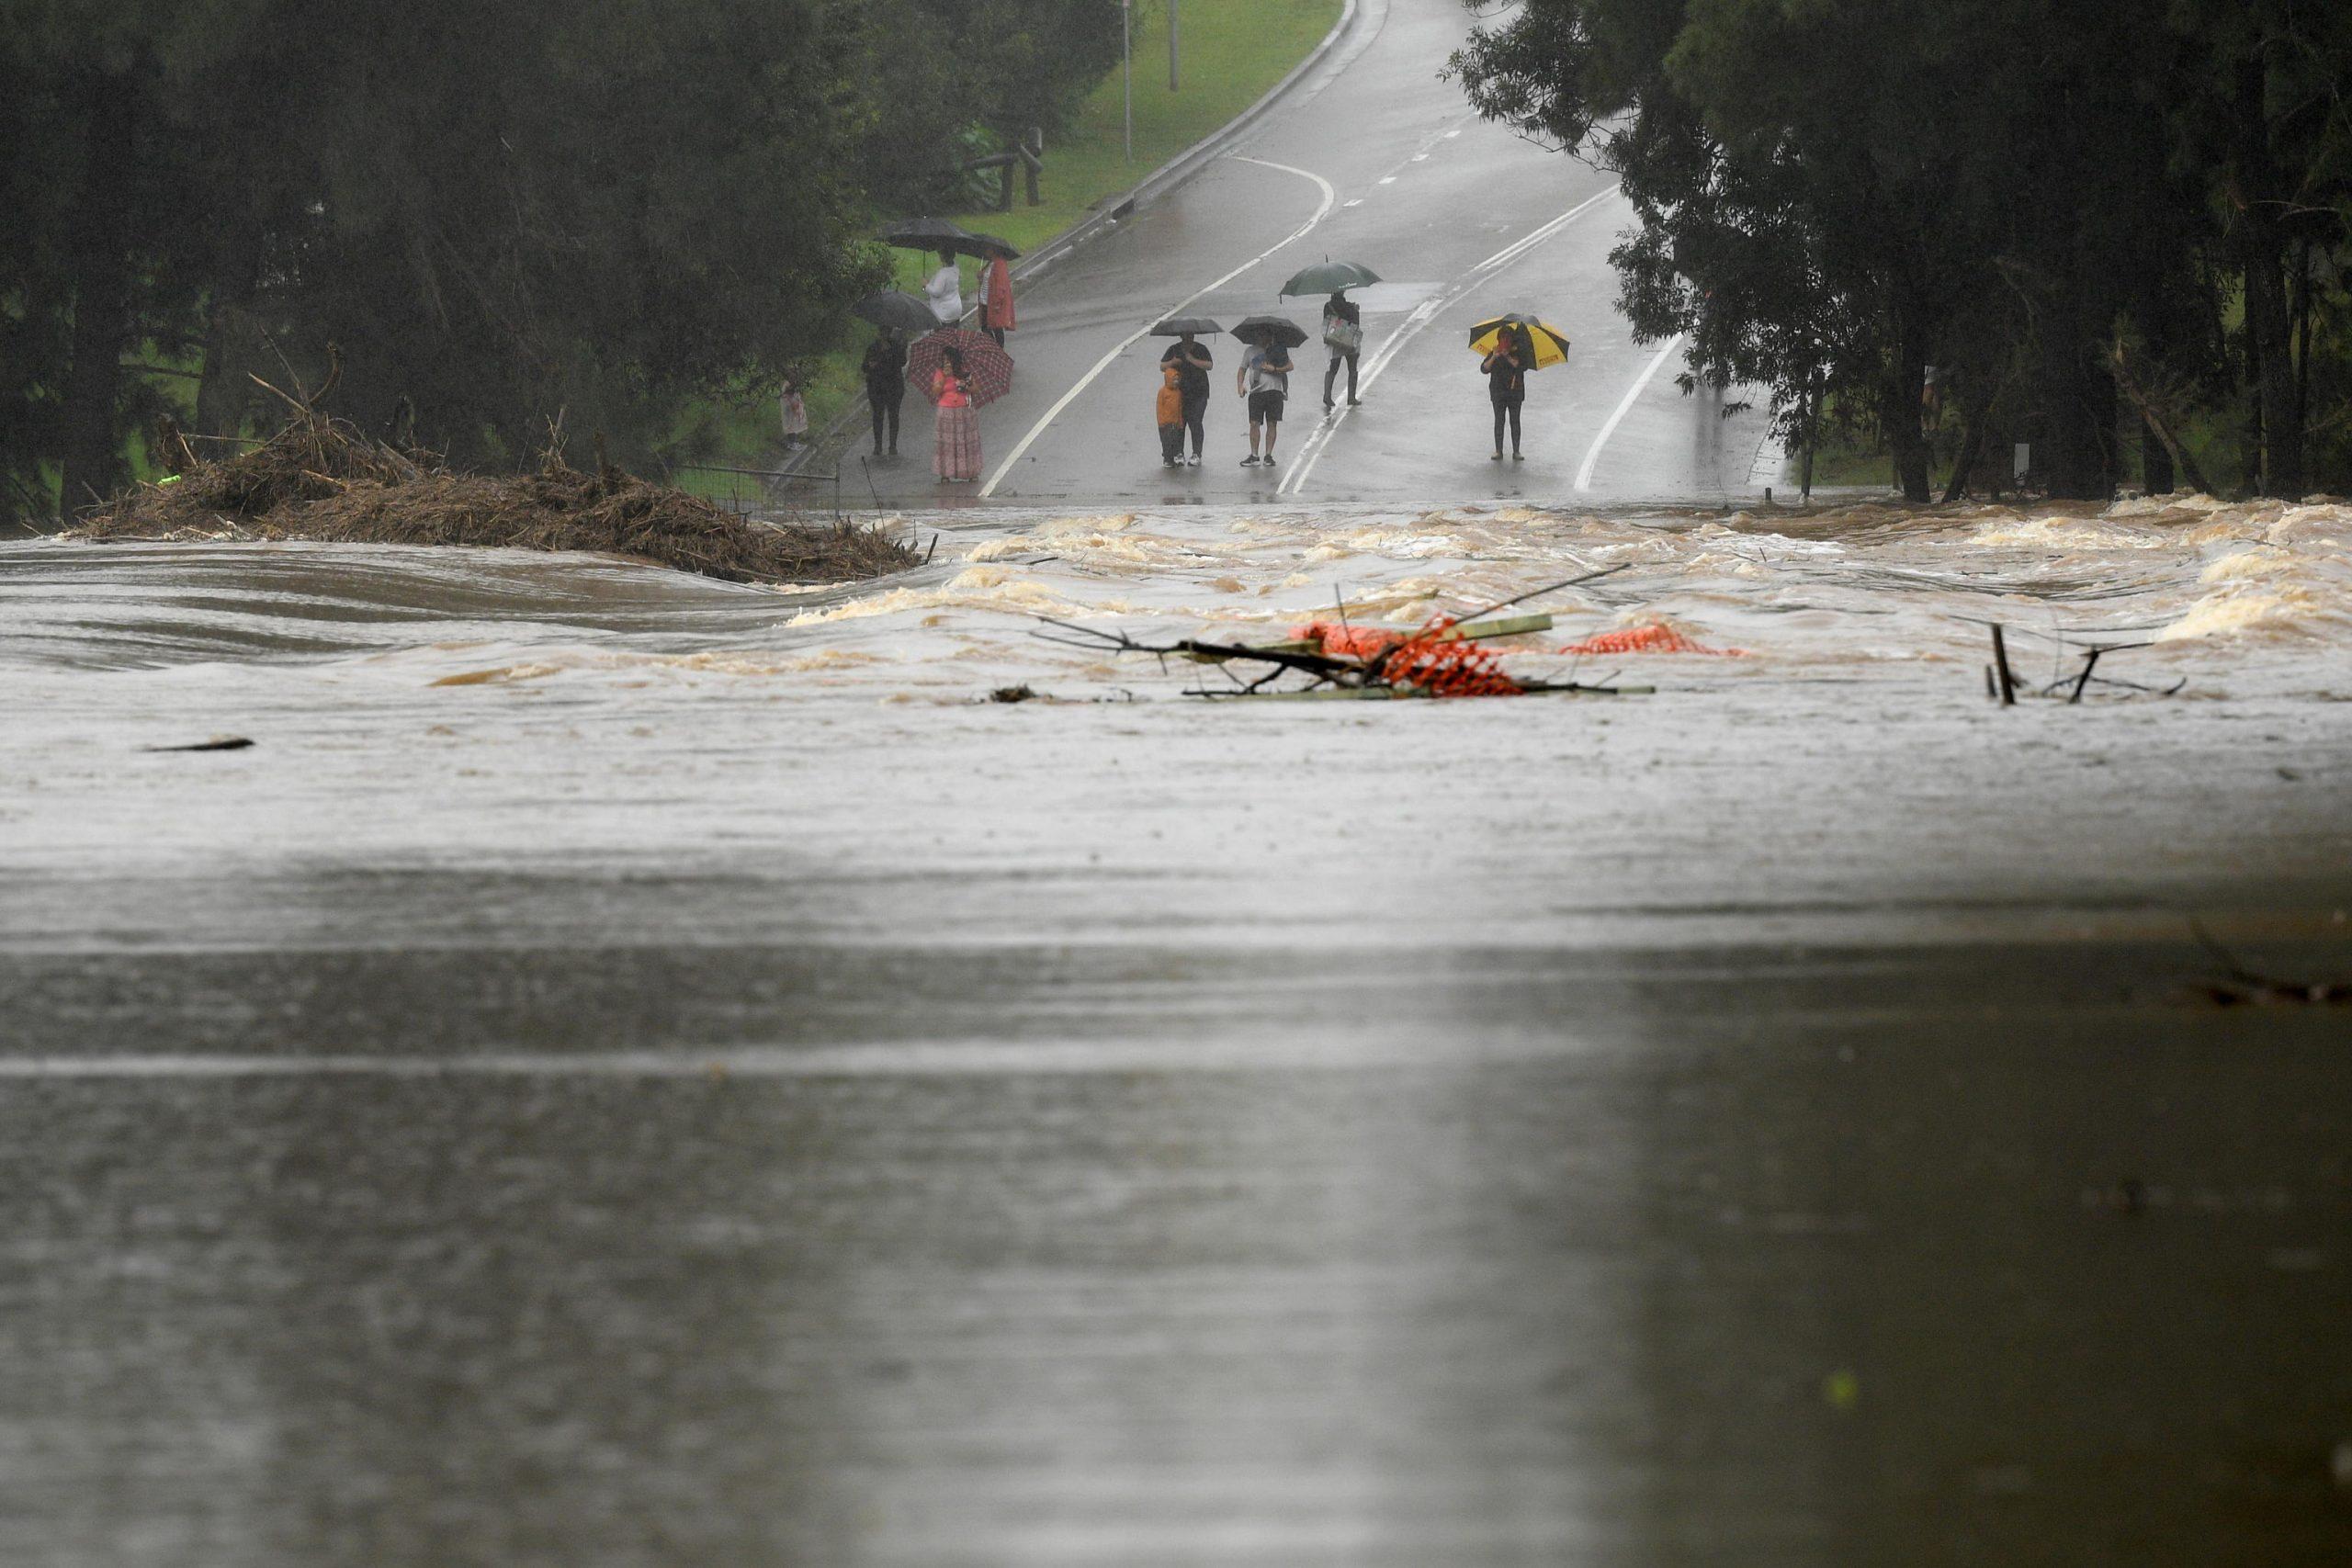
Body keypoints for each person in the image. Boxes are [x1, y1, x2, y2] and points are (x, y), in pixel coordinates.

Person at [1237, 335, 1294, 467]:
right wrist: (1240, 385)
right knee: (1254, 423)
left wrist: (1274, 369)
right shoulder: (1250, 351)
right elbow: (1242, 369)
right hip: (1256, 392)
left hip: (1274, 391)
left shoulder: (1278, 350)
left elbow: (1290, 366)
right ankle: (1254, 455)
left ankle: (1268, 455)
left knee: (1272, 423)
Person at [1159, 332, 1212, 466]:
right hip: (1179, 393)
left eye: (1191, 335)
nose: (1189, 338)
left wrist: (1191, 359)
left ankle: (1196, 453)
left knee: (1196, 422)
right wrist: (1173, 362)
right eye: (1186, 336)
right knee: (1179, 424)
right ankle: (1179, 452)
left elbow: (1209, 365)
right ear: (1181, 337)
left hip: (1199, 392)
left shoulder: (1201, 349)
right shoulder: (1174, 349)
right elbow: (1162, 366)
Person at [933, 345, 982, 482]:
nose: (946, 362)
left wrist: (966, 386)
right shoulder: (940, 372)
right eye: (944, 360)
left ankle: (970, 471)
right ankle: (945, 473)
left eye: (948, 360)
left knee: (965, 441)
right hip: (946, 411)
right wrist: (945, 377)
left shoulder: (965, 372)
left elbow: (976, 388)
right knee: (947, 443)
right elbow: (935, 391)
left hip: (964, 410)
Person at [1483, 327, 1528, 461]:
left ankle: (1516, 451)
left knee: (1515, 421)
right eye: (1503, 339)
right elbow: (1484, 369)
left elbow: (1520, 366)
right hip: (1498, 393)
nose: (1505, 342)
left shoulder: (1518, 353)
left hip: (1515, 394)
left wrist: (1508, 356)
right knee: (1499, 421)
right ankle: (1498, 450)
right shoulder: (1494, 353)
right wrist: (1494, 357)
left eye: (1508, 339)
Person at [862, 330, 906, 457]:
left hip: (894, 386)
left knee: (893, 415)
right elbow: (864, 366)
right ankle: (878, 446)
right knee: (877, 416)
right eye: (881, 333)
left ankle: (893, 445)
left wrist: (898, 348)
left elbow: (902, 362)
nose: (883, 336)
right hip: (877, 387)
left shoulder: (896, 346)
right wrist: (871, 365)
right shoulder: (873, 348)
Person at [1321, 291, 1363, 410]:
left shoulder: (1327, 306)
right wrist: (1355, 309)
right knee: (1352, 368)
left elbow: (1326, 322)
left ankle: (1327, 395)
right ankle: (1351, 397)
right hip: (1349, 340)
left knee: (1333, 368)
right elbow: (1356, 323)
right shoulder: (1350, 307)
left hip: (1335, 340)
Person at [982, 253, 1016, 349]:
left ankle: (998, 349)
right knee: (986, 326)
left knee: (996, 326)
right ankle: (995, 348)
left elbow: (1001, 285)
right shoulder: (990, 263)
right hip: (985, 300)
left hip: (994, 302)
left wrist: (997, 302)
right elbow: (987, 278)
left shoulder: (1000, 264)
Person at [1155, 362, 1186, 466]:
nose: (1176, 382)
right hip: (1165, 424)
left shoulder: (1178, 393)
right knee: (1166, 442)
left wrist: (1180, 422)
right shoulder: (1163, 392)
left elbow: (1180, 408)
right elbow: (1159, 408)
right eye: (1174, 379)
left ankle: (1172, 458)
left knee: (1175, 442)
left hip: (1175, 423)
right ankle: (1167, 459)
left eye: (1177, 379)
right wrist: (1161, 422)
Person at [925, 249, 963, 327]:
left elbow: (936, 292)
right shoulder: (956, 269)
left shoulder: (943, 273)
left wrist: (926, 285)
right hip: (956, 310)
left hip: (944, 313)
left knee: (942, 337)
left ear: (942, 257)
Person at [778, 371, 808, 448]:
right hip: (790, 408)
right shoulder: (788, 385)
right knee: (791, 425)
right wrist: (794, 404)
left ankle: (794, 441)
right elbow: (788, 397)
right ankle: (792, 443)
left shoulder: (793, 384)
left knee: (795, 425)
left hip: (794, 408)